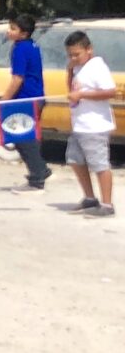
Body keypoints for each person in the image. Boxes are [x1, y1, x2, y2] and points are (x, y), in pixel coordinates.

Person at [63, 31, 116, 217]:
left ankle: (107, 205)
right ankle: (89, 197)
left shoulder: (97, 66)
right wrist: (69, 71)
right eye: (70, 55)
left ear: (89, 50)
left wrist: (83, 95)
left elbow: (110, 91)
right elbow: (71, 89)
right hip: (79, 123)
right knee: (75, 159)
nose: (73, 58)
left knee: (99, 164)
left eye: (77, 54)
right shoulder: (78, 68)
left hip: (95, 125)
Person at [1, 14, 52, 195]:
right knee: (28, 137)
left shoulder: (21, 48)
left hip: (26, 99)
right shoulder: (32, 46)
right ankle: (39, 171)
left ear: (23, 33)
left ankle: (38, 175)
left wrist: (3, 100)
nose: (9, 31)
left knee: (22, 138)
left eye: (13, 28)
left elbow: (18, 78)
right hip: (35, 97)